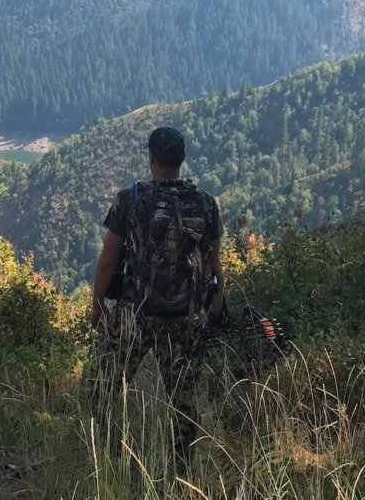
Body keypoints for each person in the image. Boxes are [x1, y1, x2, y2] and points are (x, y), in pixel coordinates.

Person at [88, 126, 225, 471]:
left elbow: (107, 261)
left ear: (151, 159)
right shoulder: (207, 204)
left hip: (137, 316)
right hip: (188, 317)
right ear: (181, 160)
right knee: (183, 400)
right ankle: (181, 473)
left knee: (104, 386)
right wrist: (214, 308)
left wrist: (98, 303)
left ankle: (111, 460)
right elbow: (215, 264)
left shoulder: (130, 199)